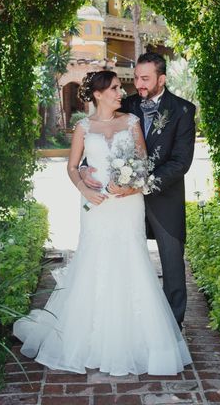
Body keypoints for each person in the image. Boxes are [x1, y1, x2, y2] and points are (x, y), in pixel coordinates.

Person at [13, 70, 191, 376]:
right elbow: (72, 167)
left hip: (127, 205)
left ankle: (137, 339)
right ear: (98, 94)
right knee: (94, 262)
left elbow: (143, 162)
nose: (121, 92)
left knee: (131, 262)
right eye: (114, 88)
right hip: (95, 206)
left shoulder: (131, 122)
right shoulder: (83, 127)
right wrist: (84, 188)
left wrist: (132, 185)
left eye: (121, 87)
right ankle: (89, 338)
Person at [81, 53, 197, 330]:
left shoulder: (183, 110)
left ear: (162, 79)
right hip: (121, 203)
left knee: (172, 263)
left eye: (145, 79)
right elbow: (101, 137)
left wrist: (140, 185)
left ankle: (172, 324)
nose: (138, 84)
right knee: (123, 256)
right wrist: (85, 167)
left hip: (163, 198)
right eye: (135, 78)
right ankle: (124, 319)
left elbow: (181, 163)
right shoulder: (127, 103)